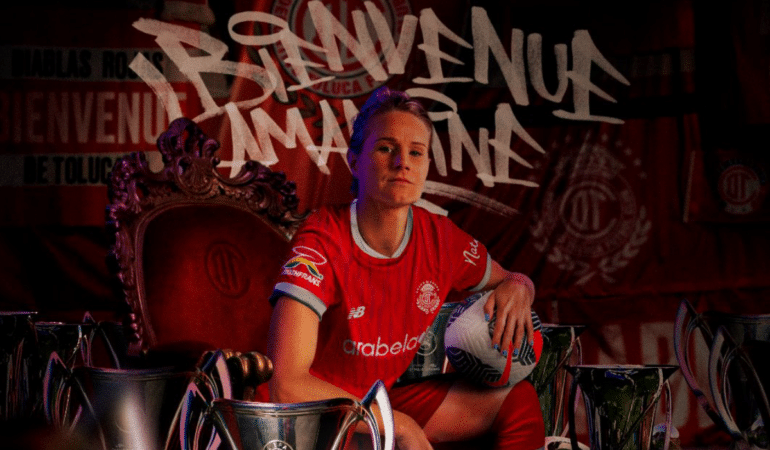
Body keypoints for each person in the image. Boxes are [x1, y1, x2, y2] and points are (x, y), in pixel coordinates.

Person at [267, 86, 544, 450]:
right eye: (386, 149)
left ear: (427, 165)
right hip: (313, 416)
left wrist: (521, 284)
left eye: (416, 152)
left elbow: (510, 278)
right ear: (354, 161)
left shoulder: (441, 239)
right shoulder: (322, 240)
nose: (403, 162)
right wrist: (399, 424)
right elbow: (287, 383)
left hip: (381, 402)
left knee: (516, 400)